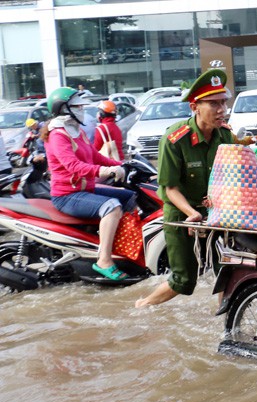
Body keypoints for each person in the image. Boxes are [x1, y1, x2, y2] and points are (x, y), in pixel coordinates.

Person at [135, 69, 236, 308]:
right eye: (213, 103)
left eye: (223, 102)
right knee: (183, 280)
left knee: (229, 271)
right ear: (195, 107)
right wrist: (192, 212)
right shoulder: (175, 139)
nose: (221, 109)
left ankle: (226, 326)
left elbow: (232, 178)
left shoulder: (226, 136)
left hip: (215, 214)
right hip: (182, 216)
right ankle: (142, 307)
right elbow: (169, 188)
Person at [43, 87, 136, 281]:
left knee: (133, 197)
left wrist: (123, 165)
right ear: (63, 109)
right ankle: (104, 260)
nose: (82, 109)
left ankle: (125, 247)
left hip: (86, 189)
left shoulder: (77, 131)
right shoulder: (57, 135)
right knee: (112, 206)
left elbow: (95, 156)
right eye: (77, 106)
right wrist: (104, 171)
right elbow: (73, 166)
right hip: (66, 195)